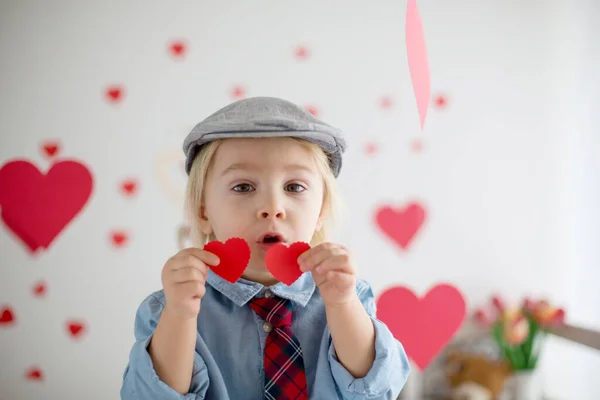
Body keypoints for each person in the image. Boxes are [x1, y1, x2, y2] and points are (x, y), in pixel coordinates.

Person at [120, 97, 411, 399]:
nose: (272, 207)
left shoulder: (350, 296)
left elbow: (377, 389)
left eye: (294, 187)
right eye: (244, 187)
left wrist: (341, 305)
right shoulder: (169, 307)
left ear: (321, 211)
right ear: (204, 212)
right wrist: (180, 315)